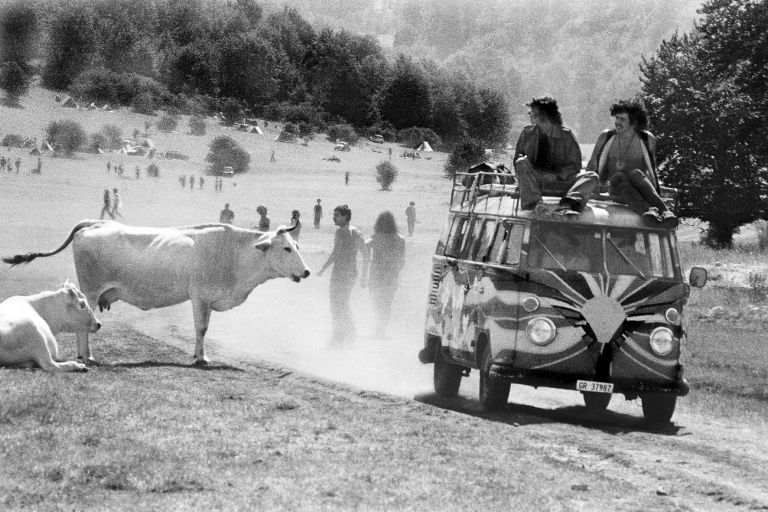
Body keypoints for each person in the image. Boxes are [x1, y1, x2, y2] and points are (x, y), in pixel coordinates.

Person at [586, 99, 677, 227]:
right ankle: (649, 211)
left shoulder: (647, 139)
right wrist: (596, 186)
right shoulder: (606, 137)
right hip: (614, 186)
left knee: (636, 173)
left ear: (634, 122)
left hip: (639, 187)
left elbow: (652, 172)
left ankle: (664, 212)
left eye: (622, 119)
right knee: (619, 176)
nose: (617, 122)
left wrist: (657, 190)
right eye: (616, 118)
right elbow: (592, 166)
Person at [514, 96, 598, 217]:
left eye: (533, 113)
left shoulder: (567, 136)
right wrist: (531, 170)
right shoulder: (527, 133)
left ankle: (567, 206)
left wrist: (556, 176)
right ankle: (537, 205)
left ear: (544, 115)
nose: (530, 116)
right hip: (535, 180)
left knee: (591, 176)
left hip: (561, 181)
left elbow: (575, 166)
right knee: (520, 162)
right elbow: (517, 159)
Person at [317, 205, 370, 343]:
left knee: (336, 304)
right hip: (352, 273)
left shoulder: (340, 232)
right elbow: (366, 255)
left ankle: (339, 336)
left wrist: (323, 268)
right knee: (344, 303)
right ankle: (349, 334)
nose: (334, 217)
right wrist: (364, 276)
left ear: (345, 216)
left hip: (340, 272)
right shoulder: (358, 232)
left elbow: (335, 254)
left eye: (337, 215)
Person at [366, 211, 405, 337]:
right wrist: (396, 272)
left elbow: (366, 245)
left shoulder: (376, 237)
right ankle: (381, 330)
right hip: (391, 275)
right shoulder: (400, 239)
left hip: (377, 274)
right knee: (386, 303)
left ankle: (379, 330)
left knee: (378, 302)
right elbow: (402, 261)